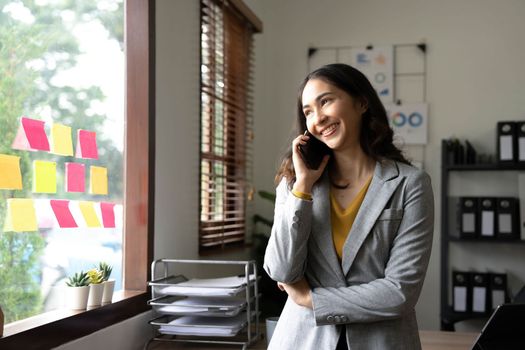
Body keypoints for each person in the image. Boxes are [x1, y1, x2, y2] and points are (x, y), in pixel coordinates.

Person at [263, 63, 434, 350]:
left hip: (382, 342)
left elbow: (400, 293)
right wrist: (303, 187)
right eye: (308, 111)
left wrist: (309, 299)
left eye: (326, 101)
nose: (318, 118)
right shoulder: (294, 183)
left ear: (362, 103)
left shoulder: (410, 184)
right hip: (302, 340)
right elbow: (281, 270)